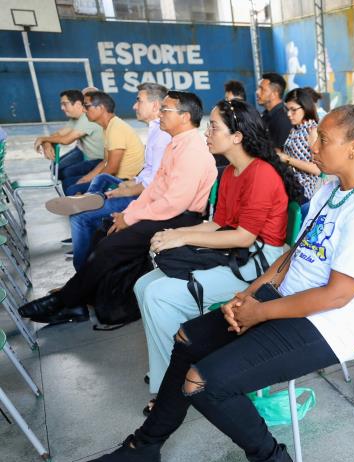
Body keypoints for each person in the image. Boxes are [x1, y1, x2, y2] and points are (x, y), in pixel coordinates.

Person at [75, 96, 354, 462]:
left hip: (327, 325)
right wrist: (250, 294)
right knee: (187, 338)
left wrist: (259, 313)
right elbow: (292, 256)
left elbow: (337, 296)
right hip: (285, 301)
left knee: (203, 383)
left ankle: (271, 459)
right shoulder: (330, 189)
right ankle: (146, 449)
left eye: (323, 139)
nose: (312, 146)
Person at [136, 99, 304, 400]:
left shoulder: (261, 173)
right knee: (143, 285)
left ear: (237, 136)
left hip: (261, 262)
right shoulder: (229, 172)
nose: (206, 133)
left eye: (213, 127)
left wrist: (182, 239)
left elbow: (243, 236)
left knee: (159, 295)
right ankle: (169, 370)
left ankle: (171, 390)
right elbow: (219, 224)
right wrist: (177, 233)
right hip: (240, 254)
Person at [18, 91, 217, 326]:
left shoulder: (192, 149)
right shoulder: (176, 144)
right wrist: (128, 213)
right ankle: (81, 301)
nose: (160, 115)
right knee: (104, 232)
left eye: (165, 110)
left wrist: (131, 217)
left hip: (181, 218)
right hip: (163, 211)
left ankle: (65, 301)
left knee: (111, 245)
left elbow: (175, 202)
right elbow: (153, 189)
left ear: (184, 117)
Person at [45, 83, 171, 270]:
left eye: (139, 101)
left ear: (154, 106)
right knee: (98, 181)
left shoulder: (159, 135)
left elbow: (152, 183)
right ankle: (93, 198)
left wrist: (126, 189)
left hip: (146, 195)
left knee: (79, 217)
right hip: (138, 184)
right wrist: (131, 182)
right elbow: (148, 171)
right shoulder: (154, 130)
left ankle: (81, 274)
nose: (134, 106)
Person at [64, 91, 145, 196]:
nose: (83, 110)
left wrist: (93, 183)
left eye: (86, 106)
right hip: (114, 177)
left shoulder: (116, 129)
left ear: (100, 108)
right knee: (70, 182)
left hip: (123, 181)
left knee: (72, 189)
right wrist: (87, 178)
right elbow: (106, 161)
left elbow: (112, 168)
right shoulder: (108, 127)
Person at [33, 89, 104, 183]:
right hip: (83, 150)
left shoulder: (88, 118)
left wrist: (43, 139)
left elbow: (66, 140)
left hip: (97, 158)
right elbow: (58, 135)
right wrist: (47, 143)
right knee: (55, 168)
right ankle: (73, 188)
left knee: (67, 174)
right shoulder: (77, 117)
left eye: (65, 104)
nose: (62, 108)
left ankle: (81, 189)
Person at [277, 87, 321, 202]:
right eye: (287, 110)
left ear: (305, 108)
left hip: (304, 192)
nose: (289, 114)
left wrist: (287, 159)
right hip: (291, 186)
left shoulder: (312, 131)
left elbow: (317, 169)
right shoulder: (295, 129)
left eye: (293, 110)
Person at [256, 72, 292, 148]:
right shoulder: (266, 115)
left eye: (262, 89)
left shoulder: (283, 118)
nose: (257, 92)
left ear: (275, 94)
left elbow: (278, 154)